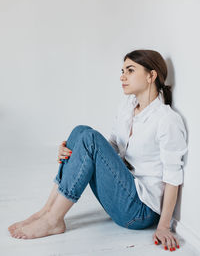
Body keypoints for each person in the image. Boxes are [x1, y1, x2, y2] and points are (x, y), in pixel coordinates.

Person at [8, 49, 187, 252]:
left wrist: (164, 226)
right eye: (122, 71)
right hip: (121, 192)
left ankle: (53, 220)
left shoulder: (166, 119)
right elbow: (111, 149)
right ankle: (47, 211)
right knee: (81, 132)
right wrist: (74, 151)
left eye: (130, 70)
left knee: (89, 138)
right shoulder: (127, 107)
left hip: (139, 210)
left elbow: (173, 176)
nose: (122, 76)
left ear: (151, 75)